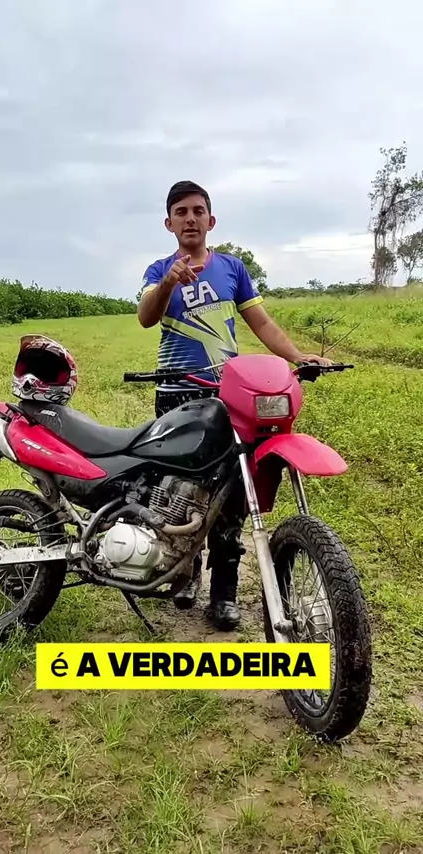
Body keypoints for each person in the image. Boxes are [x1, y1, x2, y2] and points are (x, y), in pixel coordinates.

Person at [137, 180, 332, 631]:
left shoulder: (231, 268)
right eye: (181, 212)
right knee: (182, 489)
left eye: (197, 211)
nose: (190, 219)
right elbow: (147, 317)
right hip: (176, 392)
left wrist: (297, 356)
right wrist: (169, 282)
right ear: (168, 223)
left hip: (228, 395)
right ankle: (184, 574)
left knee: (232, 493)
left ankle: (223, 591)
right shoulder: (159, 270)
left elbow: (260, 322)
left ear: (211, 220)